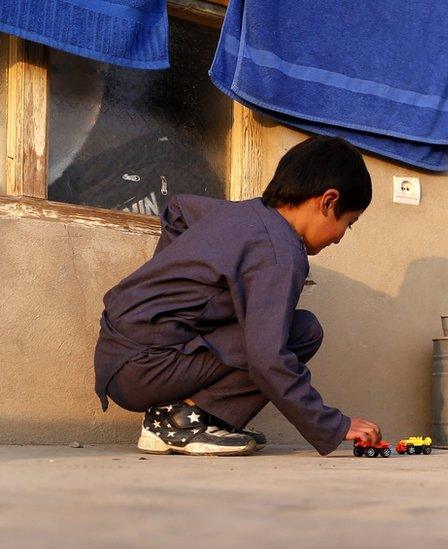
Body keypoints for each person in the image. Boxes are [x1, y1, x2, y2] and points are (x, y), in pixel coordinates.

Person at [93, 136, 382, 456]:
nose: (340, 239)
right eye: (349, 223)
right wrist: (333, 424)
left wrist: (178, 289)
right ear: (328, 201)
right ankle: (180, 421)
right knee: (302, 331)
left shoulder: (242, 215)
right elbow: (268, 359)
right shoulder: (280, 253)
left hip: (119, 354)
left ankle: (191, 417)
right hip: (145, 369)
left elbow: (178, 210)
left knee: (272, 328)